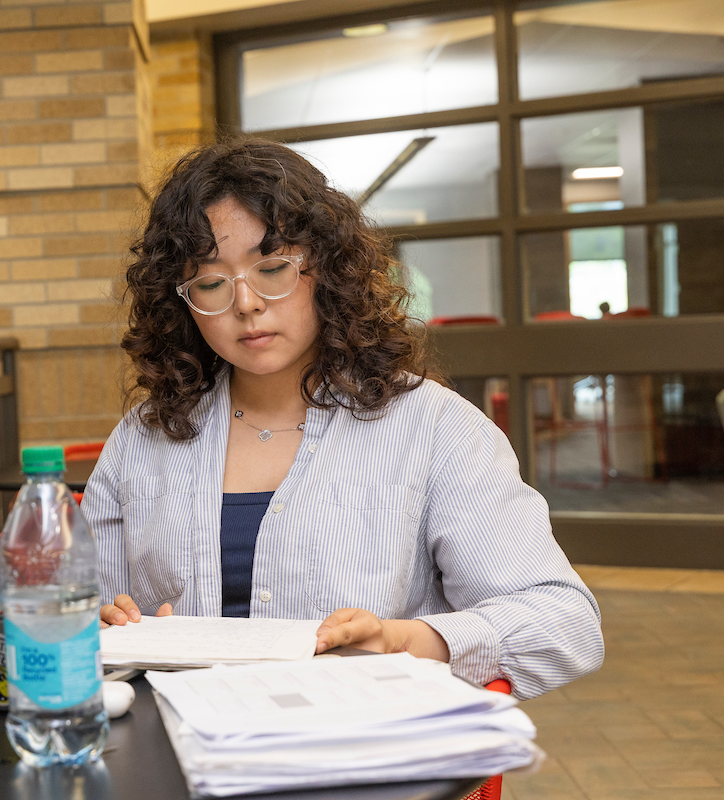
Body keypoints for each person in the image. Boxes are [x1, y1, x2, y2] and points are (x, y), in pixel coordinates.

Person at [81, 139, 603, 699]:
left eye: (273, 267)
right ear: (180, 301)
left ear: (327, 269)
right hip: (184, 755)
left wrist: (405, 640)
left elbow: (565, 622)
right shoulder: (144, 437)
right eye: (210, 282)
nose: (247, 303)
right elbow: (77, 620)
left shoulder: (434, 428)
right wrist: (109, 630)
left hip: (365, 756)